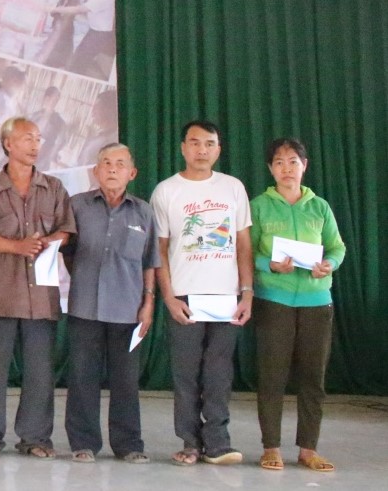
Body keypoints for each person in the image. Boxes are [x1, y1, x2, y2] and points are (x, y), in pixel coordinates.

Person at [0, 116, 75, 459]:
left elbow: (66, 230)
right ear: (8, 144)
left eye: (38, 139)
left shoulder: (54, 187)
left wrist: (48, 241)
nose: (34, 145)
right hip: (0, 293)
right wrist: (17, 246)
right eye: (27, 138)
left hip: (40, 298)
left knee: (40, 373)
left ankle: (36, 438)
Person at [152, 120, 253, 466]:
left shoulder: (233, 188)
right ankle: (190, 441)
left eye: (209, 143)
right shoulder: (167, 191)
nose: (201, 150)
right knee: (186, 373)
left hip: (226, 298)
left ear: (218, 149)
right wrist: (168, 297)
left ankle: (218, 442)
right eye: (194, 143)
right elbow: (159, 250)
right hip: (185, 297)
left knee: (219, 373)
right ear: (183, 148)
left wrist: (247, 293)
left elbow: (242, 244)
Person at [251, 138, 346, 473]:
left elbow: (337, 247)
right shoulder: (259, 205)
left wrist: (329, 264)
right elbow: (247, 253)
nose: (286, 169)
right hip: (273, 300)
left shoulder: (319, 207)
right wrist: (269, 266)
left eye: (293, 162)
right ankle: (271, 448)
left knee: (313, 378)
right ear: (270, 168)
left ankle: (308, 448)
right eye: (279, 162)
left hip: (317, 301)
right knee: (272, 376)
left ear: (304, 165)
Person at [63, 143, 159, 463]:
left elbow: (150, 262)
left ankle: (129, 444)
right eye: (106, 163)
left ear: (132, 173)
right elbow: (67, 252)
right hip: (84, 306)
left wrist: (148, 303)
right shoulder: (77, 205)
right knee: (81, 376)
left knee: (126, 381)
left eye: (120, 164)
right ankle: (83, 442)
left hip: (128, 309)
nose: (112, 169)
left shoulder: (144, 212)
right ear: (96, 171)